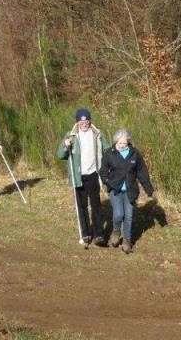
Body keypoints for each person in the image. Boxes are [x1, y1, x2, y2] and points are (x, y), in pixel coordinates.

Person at [57, 108, 110, 248]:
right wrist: (65, 145)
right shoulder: (71, 136)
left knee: (96, 205)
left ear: (90, 121)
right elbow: (60, 155)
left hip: (93, 175)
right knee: (82, 207)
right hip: (78, 177)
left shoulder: (97, 134)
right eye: (81, 122)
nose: (84, 124)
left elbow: (108, 150)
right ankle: (86, 234)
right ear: (77, 122)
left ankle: (99, 234)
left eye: (86, 121)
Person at [99, 128, 155, 254]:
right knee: (119, 214)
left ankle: (127, 241)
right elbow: (102, 171)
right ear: (115, 142)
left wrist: (149, 189)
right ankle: (116, 231)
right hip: (115, 189)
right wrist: (107, 181)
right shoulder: (109, 153)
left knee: (128, 216)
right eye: (119, 143)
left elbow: (142, 172)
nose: (122, 146)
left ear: (128, 142)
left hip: (130, 190)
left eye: (124, 143)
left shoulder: (135, 154)